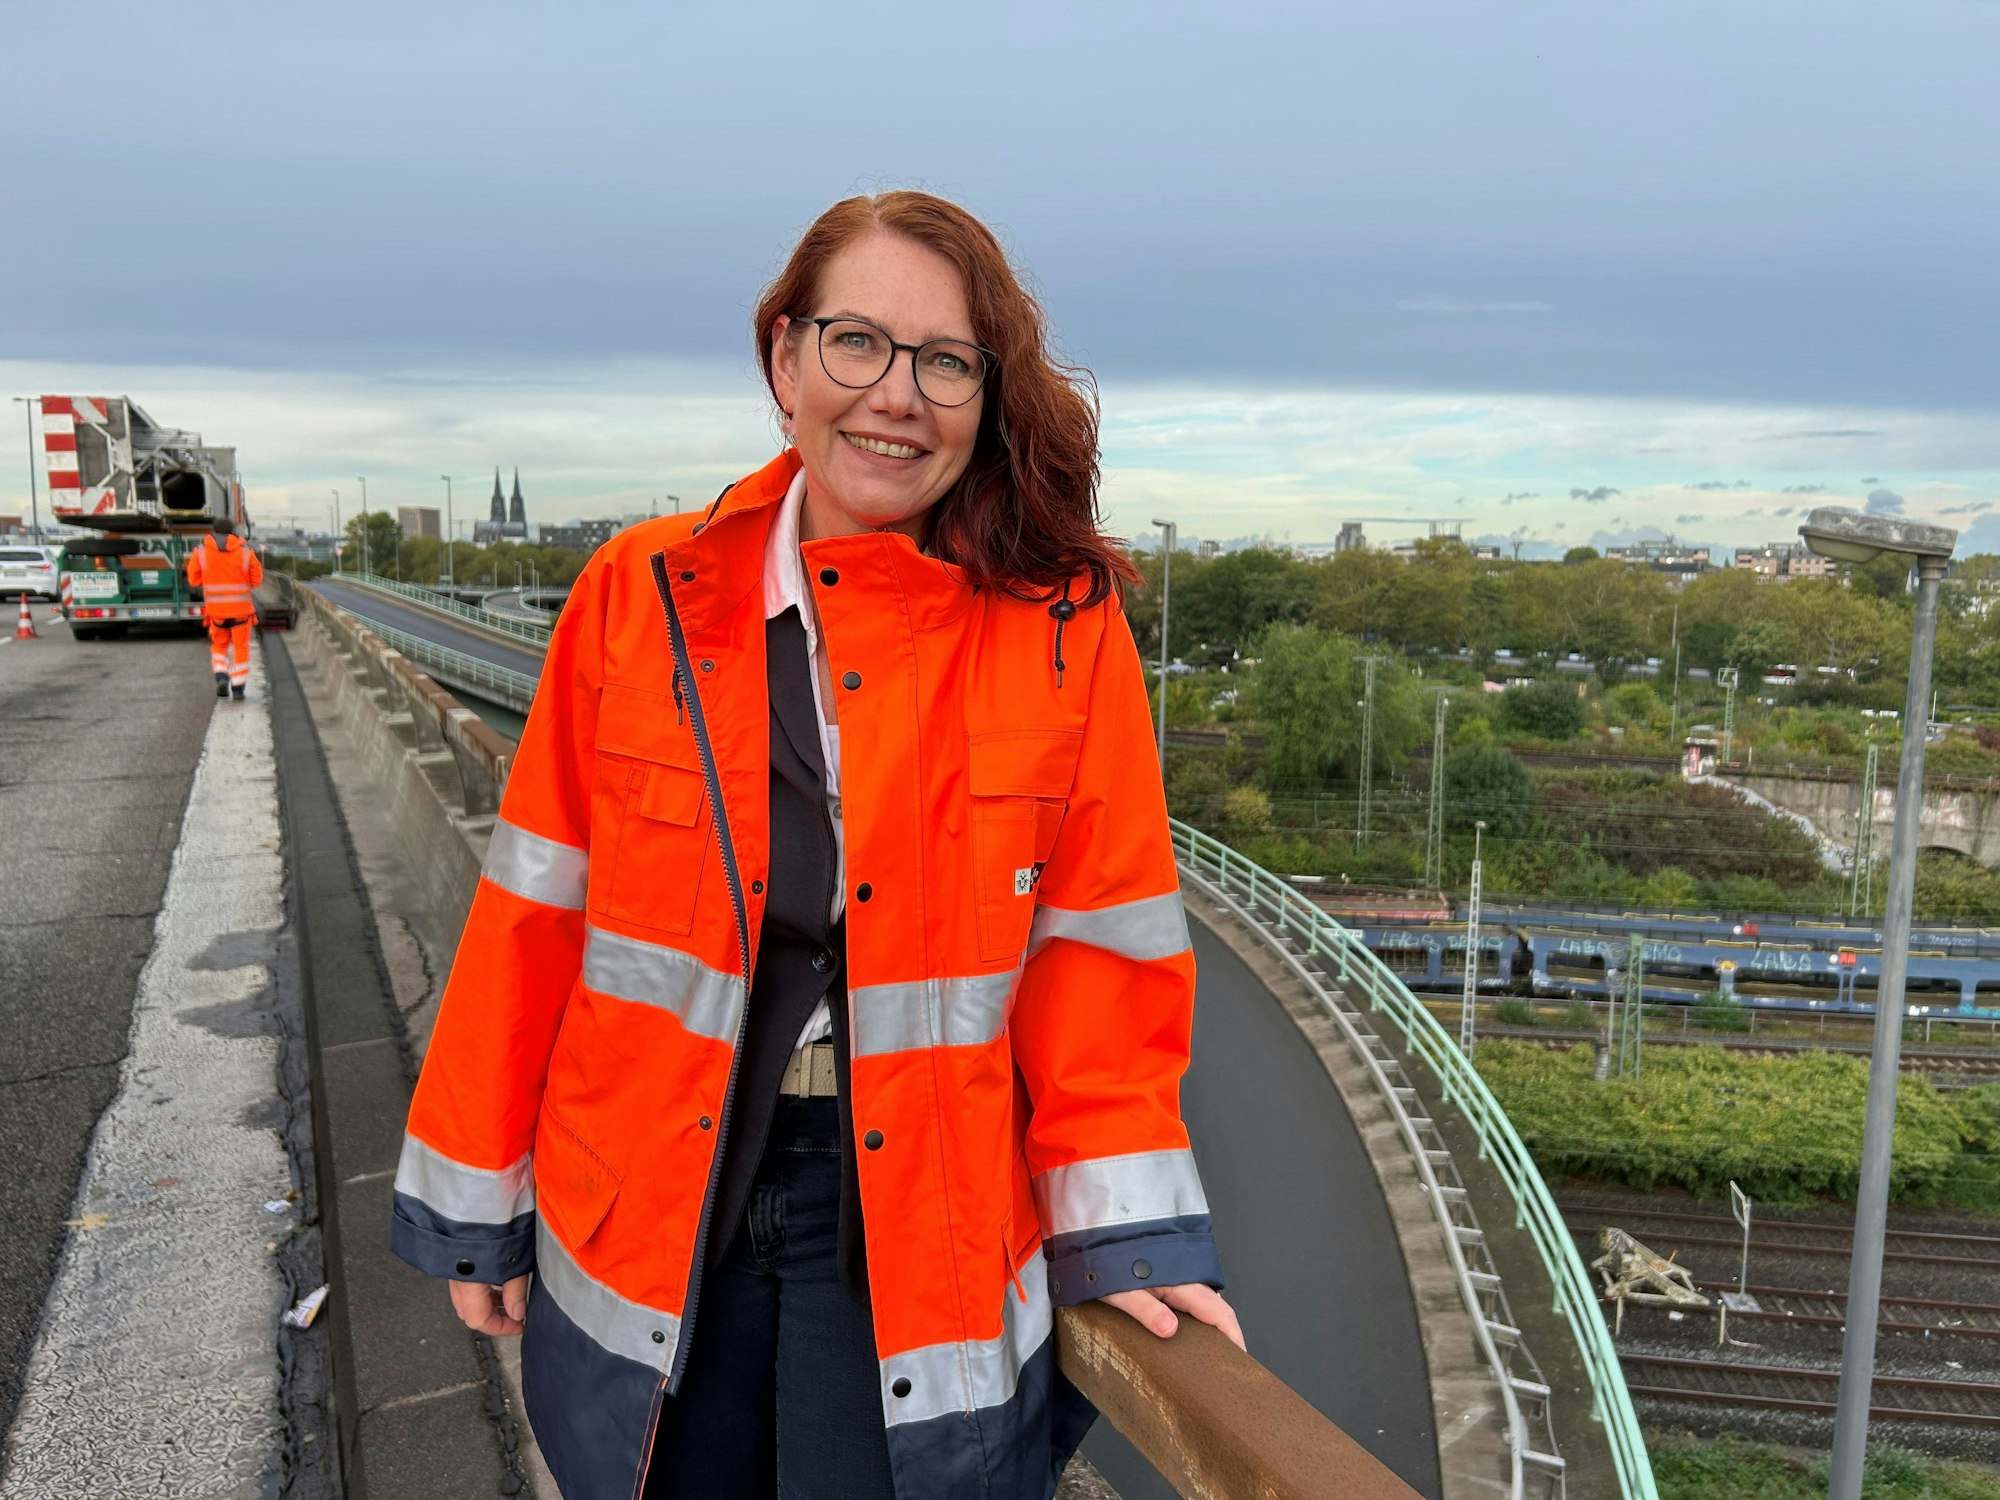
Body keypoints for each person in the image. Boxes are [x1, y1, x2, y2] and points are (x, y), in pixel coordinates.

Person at [389, 190, 1241, 1500]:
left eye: (946, 361)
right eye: (858, 343)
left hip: (918, 1224)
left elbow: (1100, 959)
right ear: (784, 359)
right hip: (659, 1203)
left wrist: (1134, 1241)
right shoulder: (640, 595)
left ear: (985, 392)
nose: (896, 395)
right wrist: (474, 1205)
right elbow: (535, 910)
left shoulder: (1063, 626)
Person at [184, 515, 262, 699]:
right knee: (241, 647)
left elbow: (194, 580)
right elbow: (256, 580)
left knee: (219, 646)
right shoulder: (245, 551)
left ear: (214, 530)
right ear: (233, 531)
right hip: (241, 611)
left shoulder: (201, 552)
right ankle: (238, 687)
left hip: (216, 612)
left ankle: (221, 676)